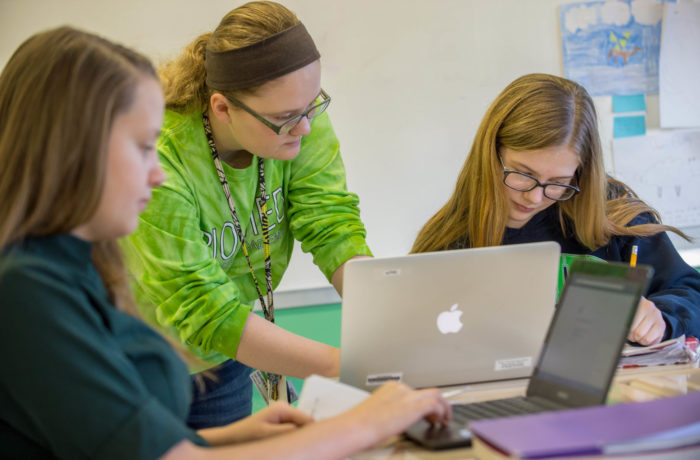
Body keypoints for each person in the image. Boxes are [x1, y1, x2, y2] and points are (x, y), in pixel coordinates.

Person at [0, 25, 450, 460]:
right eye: (141, 147)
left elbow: (121, 444)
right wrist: (366, 420)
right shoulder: (26, 291)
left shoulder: (64, 268)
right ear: (73, 151)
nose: (155, 173)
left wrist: (230, 440)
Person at [120, 0, 372, 427]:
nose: (305, 128)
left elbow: (330, 221)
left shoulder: (298, 116)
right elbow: (202, 308)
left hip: (231, 353)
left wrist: (384, 325)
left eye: (313, 105)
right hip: (143, 367)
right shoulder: (161, 159)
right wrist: (341, 365)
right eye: (286, 117)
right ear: (222, 108)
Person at [412, 73, 700, 347]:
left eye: (558, 182)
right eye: (523, 174)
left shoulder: (614, 215)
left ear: (580, 173)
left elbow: (691, 292)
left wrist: (662, 317)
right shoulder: (449, 239)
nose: (535, 197)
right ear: (491, 154)